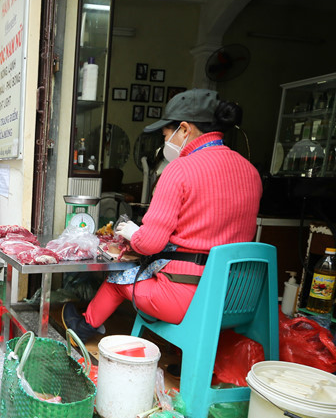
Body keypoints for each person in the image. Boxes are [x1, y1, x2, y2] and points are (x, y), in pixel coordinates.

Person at [62, 89, 262, 341]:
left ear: (184, 129)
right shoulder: (250, 171)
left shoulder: (180, 169)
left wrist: (135, 233)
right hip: (234, 298)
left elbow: (149, 244)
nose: (165, 142)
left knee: (117, 278)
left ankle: (84, 327)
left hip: (186, 299)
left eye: (166, 135)